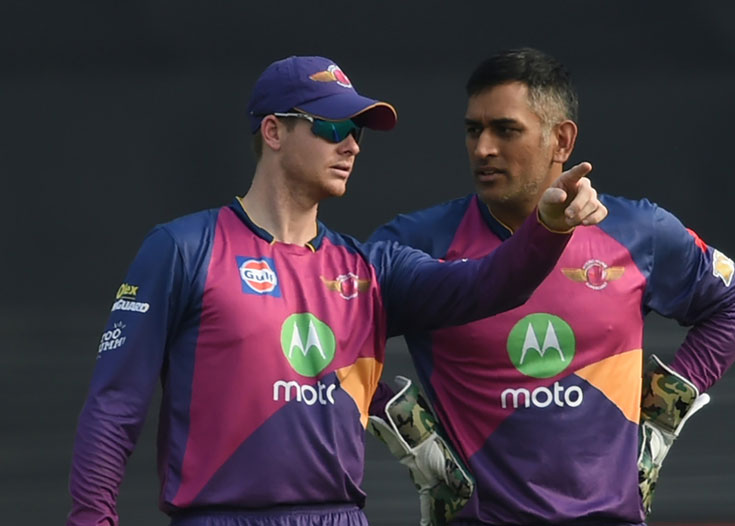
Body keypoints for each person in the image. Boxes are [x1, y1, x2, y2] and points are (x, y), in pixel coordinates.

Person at [65, 55, 608, 526]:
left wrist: (547, 227)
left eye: (358, 131)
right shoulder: (182, 248)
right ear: (273, 131)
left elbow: (490, 285)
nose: (350, 144)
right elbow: (114, 407)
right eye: (331, 126)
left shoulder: (371, 269)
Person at [367, 48, 735, 526]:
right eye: (473, 130)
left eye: (505, 130)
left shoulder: (638, 231)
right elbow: (330, 333)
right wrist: (405, 430)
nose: (483, 148)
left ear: (561, 140)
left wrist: (664, 414)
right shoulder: (416, 243)